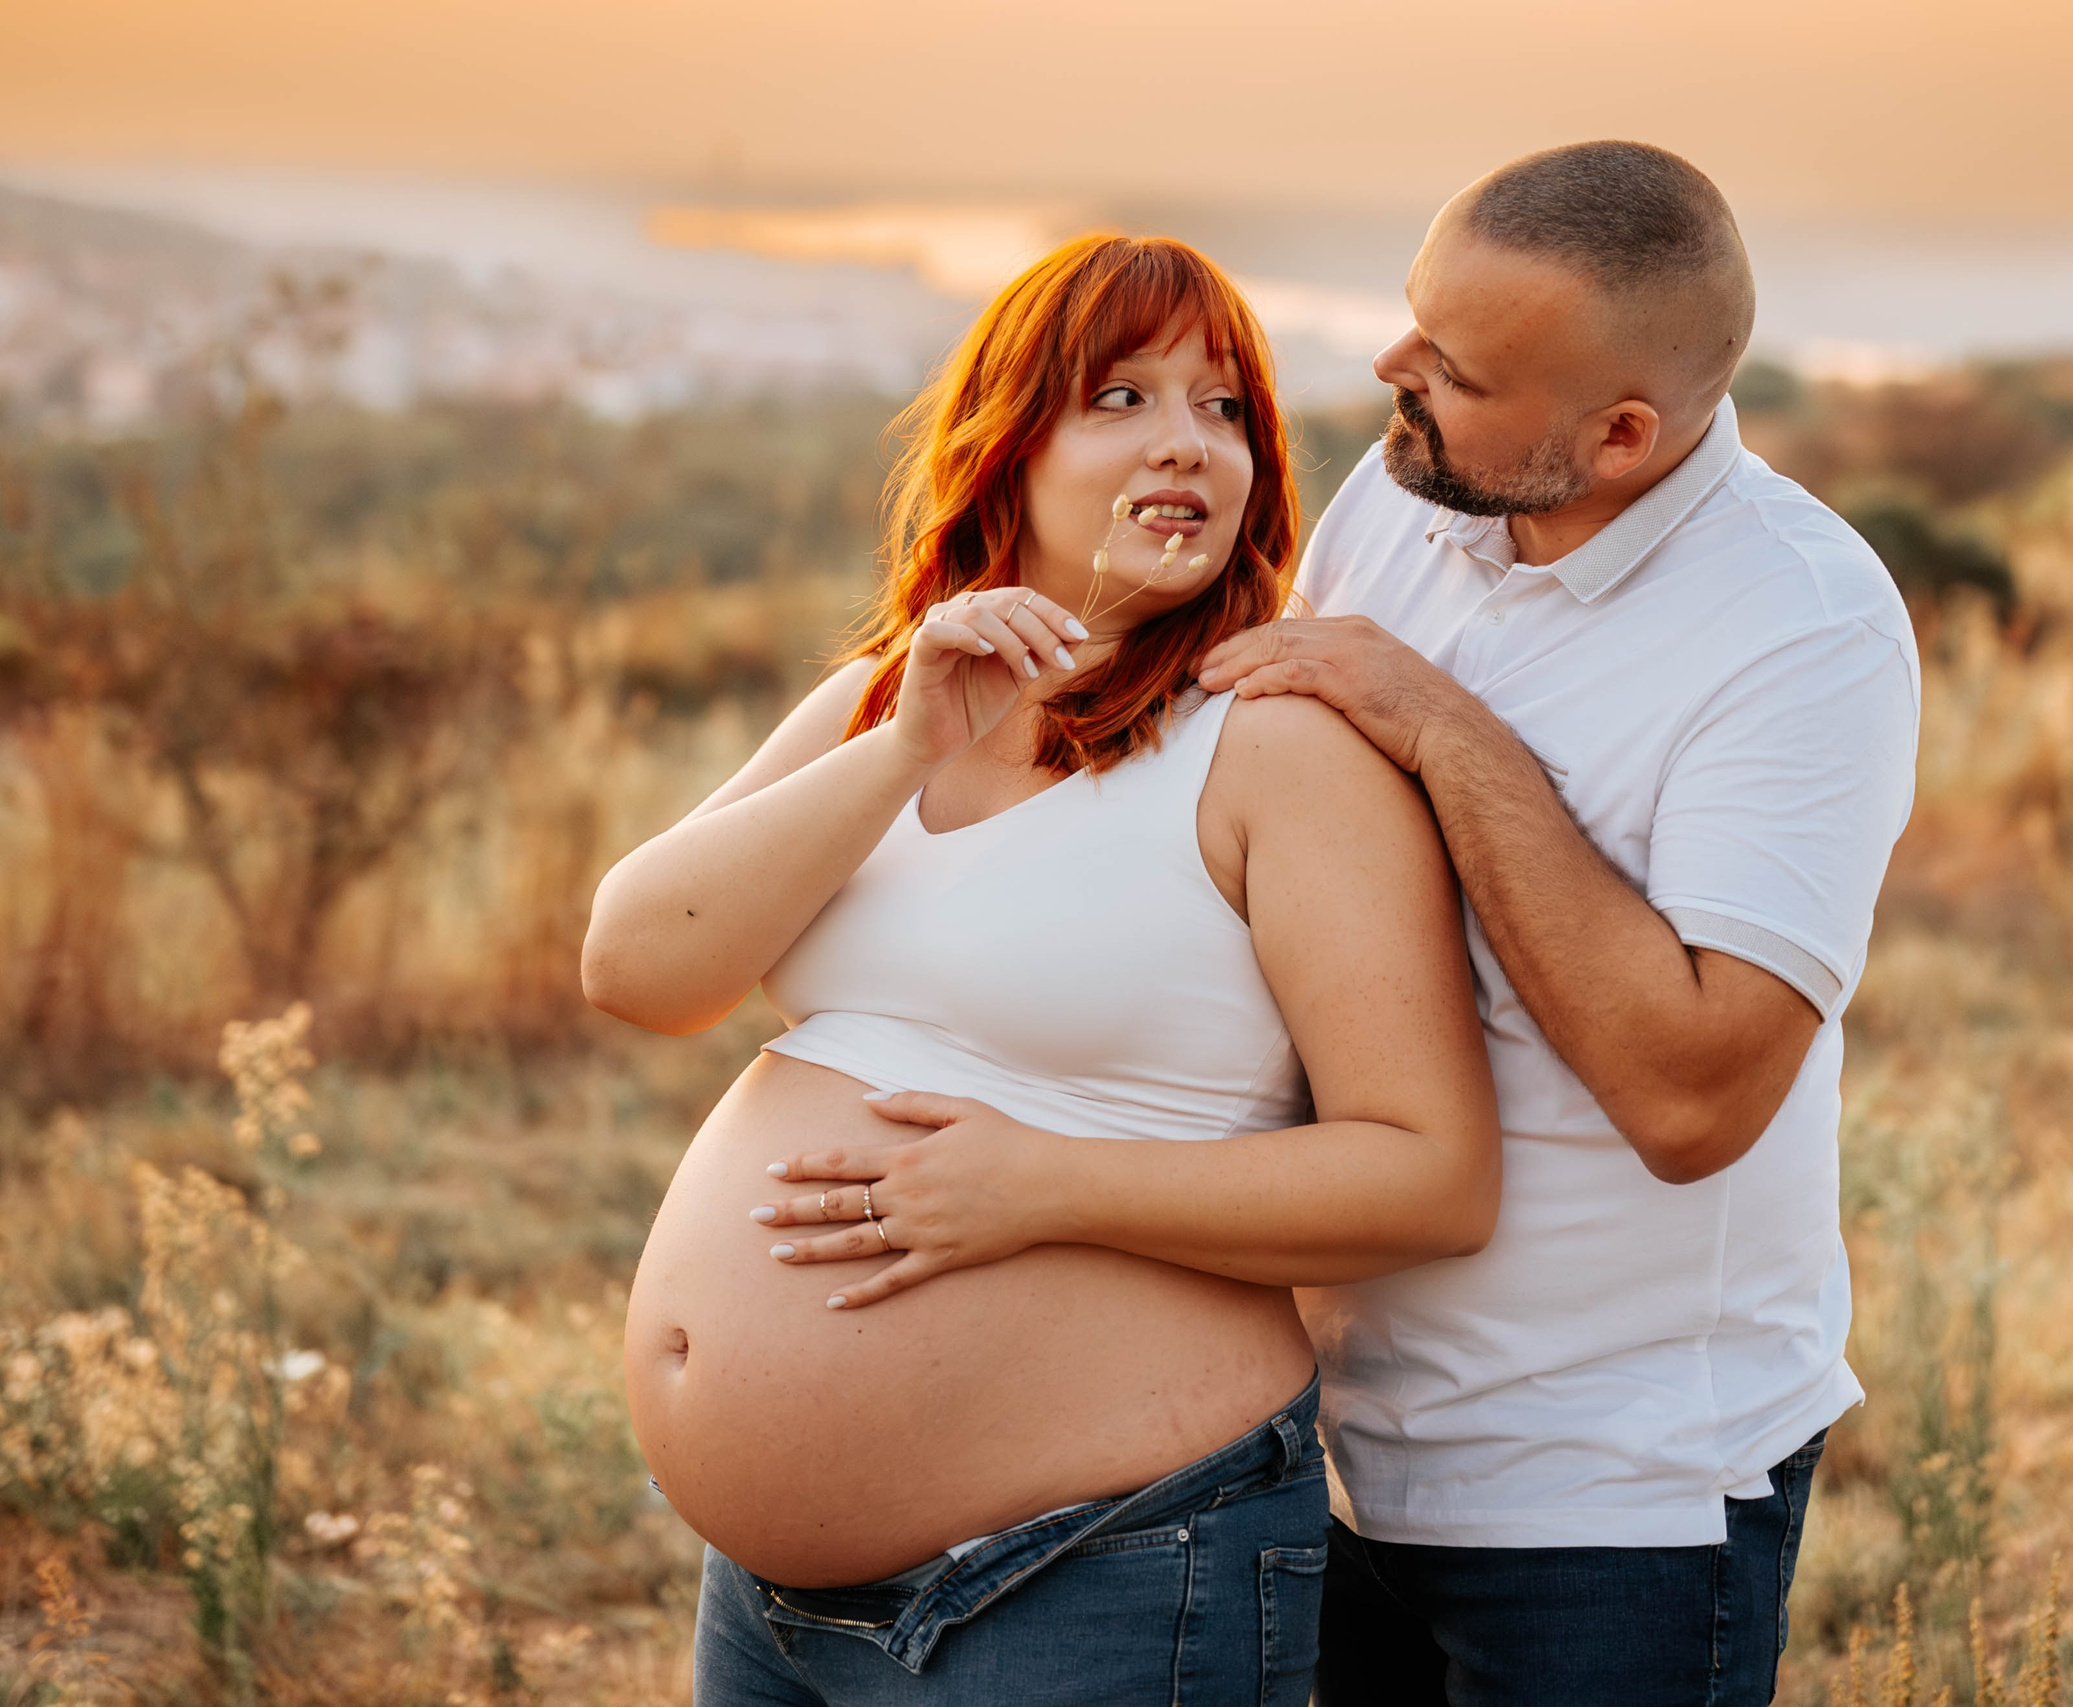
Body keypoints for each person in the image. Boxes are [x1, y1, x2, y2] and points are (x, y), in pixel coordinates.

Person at [582, 233, 1500, 1707]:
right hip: (771, 1604)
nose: (1187, 446)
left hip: (1101, 1568)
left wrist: (1042, 1186)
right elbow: (637, 969)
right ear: (1006, 443)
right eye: (1122, 400)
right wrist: (904, 746)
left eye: (1223, 411)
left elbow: (1429, 1176)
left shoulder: (1272, 739)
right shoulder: (888, 699)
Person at [1195, 140, 1923, 1705]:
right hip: (1323, 1446)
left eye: (1450, 367)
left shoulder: (1804, 629)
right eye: (1410, 319)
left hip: (1610, 1499)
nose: (1391, 370)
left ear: (1621, 435)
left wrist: (1448, 731)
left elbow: (1694, 1093)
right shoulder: (1401, 510)